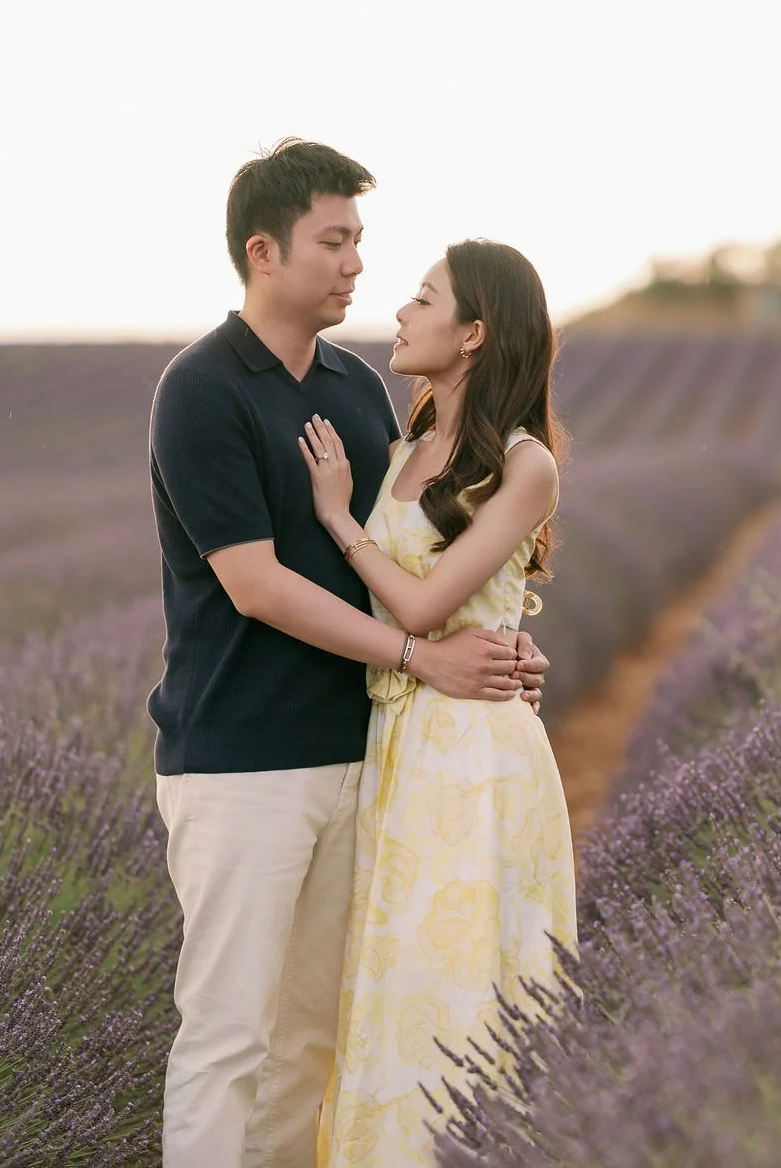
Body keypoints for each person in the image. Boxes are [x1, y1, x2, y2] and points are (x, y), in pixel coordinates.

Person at [146, 140, 549, 1168]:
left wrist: (493, 652)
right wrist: (425, 661)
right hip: (241, 760)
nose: (356, 263)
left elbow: (415, 558)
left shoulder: (358, 391)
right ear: (263, 251)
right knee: (228, 1037)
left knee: (316, 1045)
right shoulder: (199, 389)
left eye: (360, 241)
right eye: (333, 240)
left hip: (365, 754)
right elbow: (255, 583)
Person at [299, 241, 576, 1167]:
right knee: (391, 981)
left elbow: (420, 605)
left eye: (425, 298)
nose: (403, 311)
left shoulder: (527, 464)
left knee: (459, 988)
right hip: (402, 736)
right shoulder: (408, 446)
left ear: (474, 335)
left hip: (474, 754)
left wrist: (339, 519)